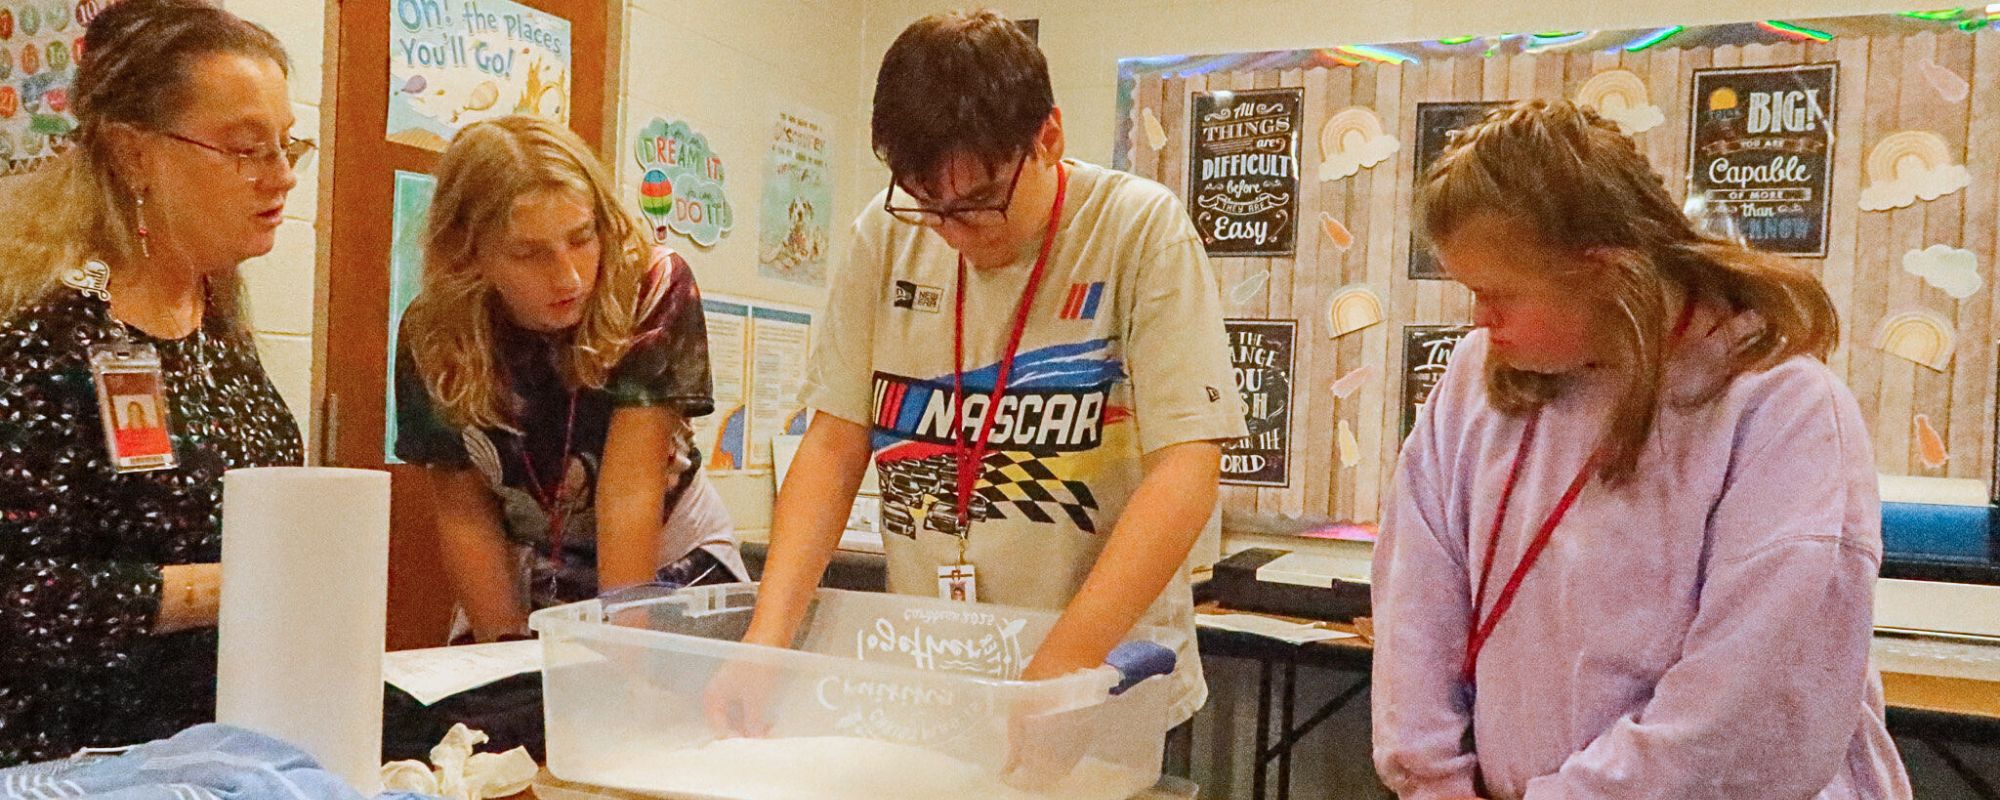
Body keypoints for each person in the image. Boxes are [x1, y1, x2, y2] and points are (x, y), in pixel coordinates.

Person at [716, 9, 1245, 734]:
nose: (951, 229)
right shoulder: (885, 232)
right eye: (928, 204)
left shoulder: (1137, 231)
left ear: (1048, 138)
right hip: (937, 678)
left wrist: (1062, 667)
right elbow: (834, 443)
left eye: (977, 201)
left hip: (1102, 680)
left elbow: (1187, 469)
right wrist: (766, 640)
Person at [1370, 100, 1910, 799]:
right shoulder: (1476, 377)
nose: (1479, 317)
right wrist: (1432, 781)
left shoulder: (1778, 405)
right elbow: (1417, 593)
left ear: (1605, 274)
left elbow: (1737, 697)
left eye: (1498, 293)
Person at [0, 0, 308, 765]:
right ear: (134, 154)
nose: (280, 177)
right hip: (69, 763)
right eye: (245, 149)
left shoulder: (214, 322)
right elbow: (18, 595)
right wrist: (226, 589)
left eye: (288, 145)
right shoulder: (44, 338)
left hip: (215, 748)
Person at [395, 115, 745, 644]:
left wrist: (624, 671)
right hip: (527, 561)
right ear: (469, 253)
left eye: (582, 239)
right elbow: (463, 511)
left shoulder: (650, 287)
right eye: (529, 253)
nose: (570, 277)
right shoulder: (433, 332)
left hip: (665, 552)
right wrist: (505, 659)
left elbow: (630, 493)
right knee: (500, 704)